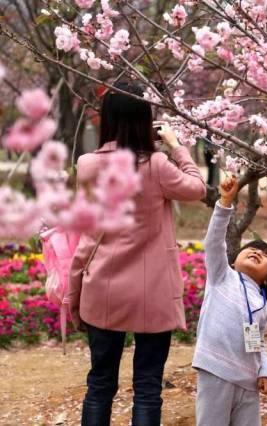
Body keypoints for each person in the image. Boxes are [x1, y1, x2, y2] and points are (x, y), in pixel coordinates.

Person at [68, 81, 206, 425]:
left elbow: (86, 237)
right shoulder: (156, 165)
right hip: (152, 293)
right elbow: (198, 188)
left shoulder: (88, 165)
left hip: (102, 288)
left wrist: (73, 293)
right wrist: (177, 147)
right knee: (147, 386)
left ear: (108, 119)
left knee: (99, 384)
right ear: (146, 118)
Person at [193, 175, 267, 426]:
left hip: (248, 382)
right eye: (252, 248)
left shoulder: (262, 306)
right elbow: (214, 242)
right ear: (233, 260)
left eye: (266, 256)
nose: (257, 251)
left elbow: (259, 344)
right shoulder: (222, 276)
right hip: (216, 371)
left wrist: (264, 370)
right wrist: (224, 203)